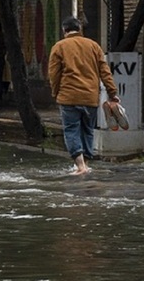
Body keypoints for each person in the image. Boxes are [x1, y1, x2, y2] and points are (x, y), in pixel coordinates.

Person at [48, 16, 119, 175]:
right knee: (88, 130)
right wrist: (112, 93)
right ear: (79, 30)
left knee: (71, 129)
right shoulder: (94, 46)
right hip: (90, 97)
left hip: (69, 97)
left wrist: (55, 92)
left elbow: (54, 74)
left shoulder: (59, 47)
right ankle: (85, 164)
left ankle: (80, 166)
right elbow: (105, 72)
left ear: (64, 30)